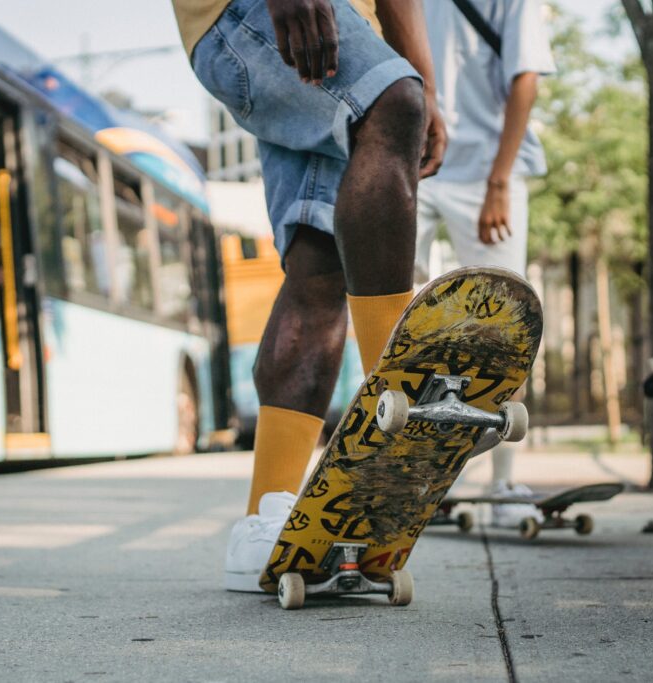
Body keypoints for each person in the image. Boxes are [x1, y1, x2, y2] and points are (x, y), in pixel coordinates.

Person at [171, 0, 447, 592]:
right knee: (391, 100)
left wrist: (425, 88)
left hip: (339, 20)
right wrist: (412, 95)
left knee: (317, 264)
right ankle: (395, 410)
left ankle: (264, 523)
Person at [414, 0, 554, 527]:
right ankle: (413, 474)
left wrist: (499, 181)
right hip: (419, 167)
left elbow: (526, 81)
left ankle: (502, 481)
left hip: (487, 174)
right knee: (400, 324)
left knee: (503, 328)